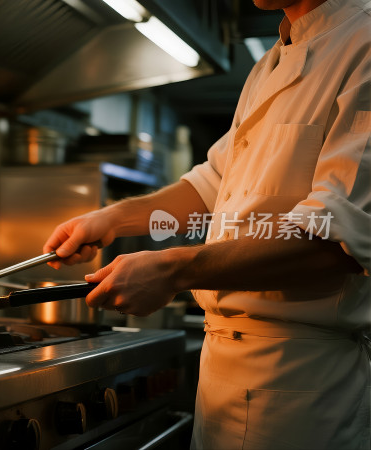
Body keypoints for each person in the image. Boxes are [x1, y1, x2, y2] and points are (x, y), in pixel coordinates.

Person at [43, 0, 371, 448]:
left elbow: (340, 240)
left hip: (300, 387)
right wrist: (112, 218)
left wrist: (173, 269)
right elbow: (213, 182)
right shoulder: (270, 63)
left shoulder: (363, 45)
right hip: (221, 371)